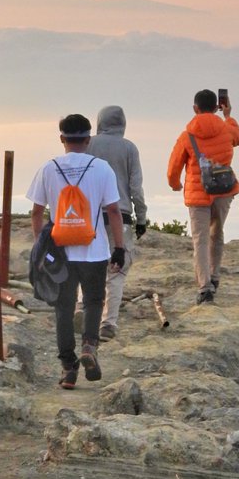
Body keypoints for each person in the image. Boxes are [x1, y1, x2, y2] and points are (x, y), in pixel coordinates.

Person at [27, 113, 126, 389]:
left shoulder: (49, 168)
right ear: (88, 139)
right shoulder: (102, 168)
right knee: (94, 301)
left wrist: (40, 244)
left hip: (60, 252)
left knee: (64, 307)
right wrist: (119, 247)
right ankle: (89, 347)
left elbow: (36, 211)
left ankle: (68, 369)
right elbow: (114, 211)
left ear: (62, 139)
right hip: (94, 250)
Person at [167, 89, 239, 304]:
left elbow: (174, 166)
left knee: (200, 240)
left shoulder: (186, 136)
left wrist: (175, 184)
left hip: (197, 192)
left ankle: (204, 287)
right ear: (217, 107)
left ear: (195, 108)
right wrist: (228, 116)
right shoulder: (226, 129)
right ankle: (215, 276)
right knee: (216, 233)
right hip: (224, 190)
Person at [87, 106, 148, 341]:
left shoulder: (88, 144)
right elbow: (135, 187)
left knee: (90, 268)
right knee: (116, 272)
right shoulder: (129, 148)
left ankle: (83, 311)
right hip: (120, 217)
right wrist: (141, 218)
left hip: (90, 216)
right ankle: (108, 324)